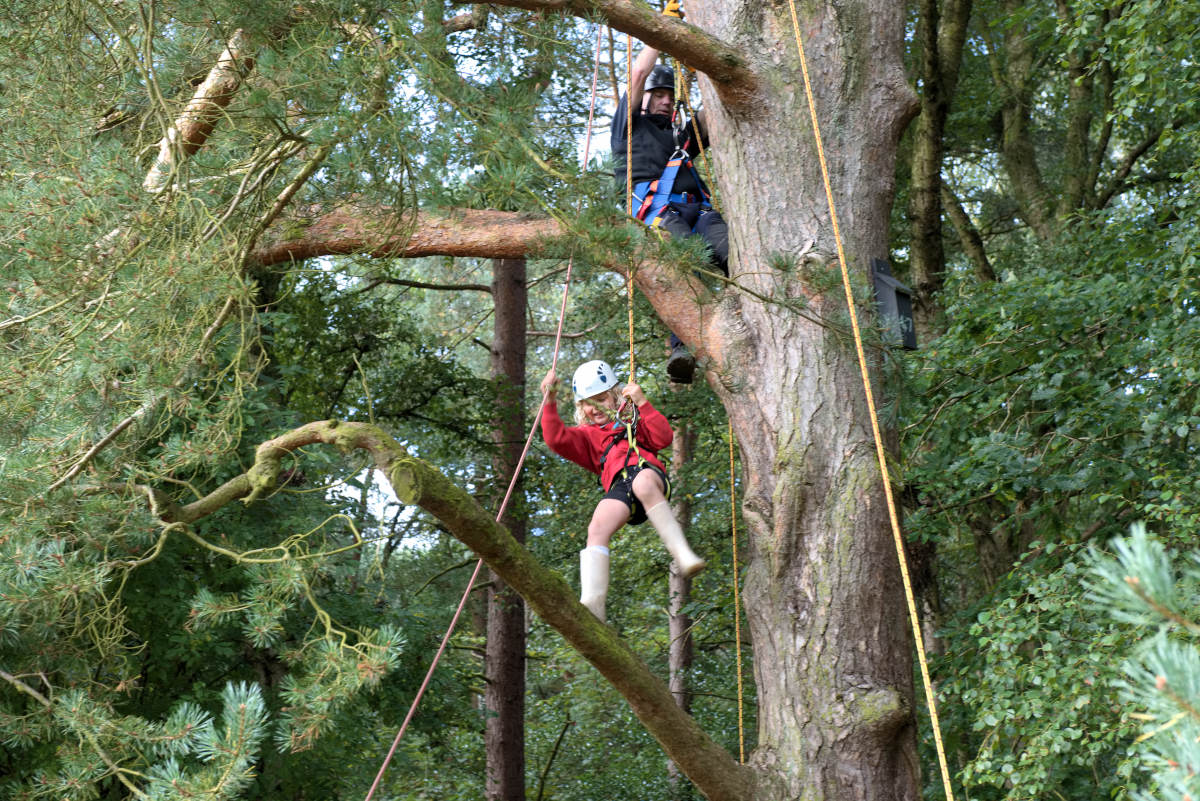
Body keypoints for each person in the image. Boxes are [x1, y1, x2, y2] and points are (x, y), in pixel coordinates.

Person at [611, 0, 729, 385]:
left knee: (734, 253)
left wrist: (705, 61)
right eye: (658, 93)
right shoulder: (629, 128)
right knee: (682, 265)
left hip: (701, 212)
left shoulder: (678, 137)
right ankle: (681, 347)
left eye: (669, 94)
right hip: (660, 213)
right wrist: (661, 28)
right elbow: (639, 72)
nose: (664, 99)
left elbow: (711, 116)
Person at [540, 359, 705, 621]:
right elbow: (555, 439)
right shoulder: (587, 437)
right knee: (597, 527)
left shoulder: (633, 420)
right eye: (587, 403)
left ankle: (682, 554)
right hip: (621, 487)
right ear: (581, 407)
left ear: (615, 396)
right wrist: (549, 400)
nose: (594, 408)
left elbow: (663, 437)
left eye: (601, 398)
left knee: (641, 483)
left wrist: (642, 403)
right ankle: (594, 604)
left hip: (649, 477)